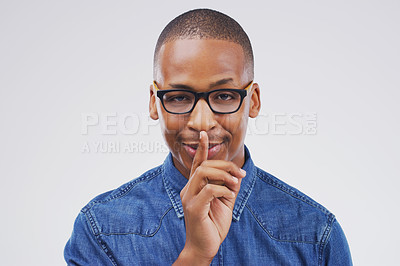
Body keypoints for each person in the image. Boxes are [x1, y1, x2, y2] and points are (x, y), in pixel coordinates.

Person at [64, 8, 352, 265]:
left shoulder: (316, 236)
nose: (202, 122)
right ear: (154, 102)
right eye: (178, 97)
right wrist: (195, 255)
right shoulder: (101, 230)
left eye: (225, 96)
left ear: (253, 101)